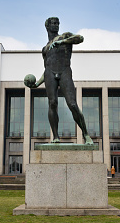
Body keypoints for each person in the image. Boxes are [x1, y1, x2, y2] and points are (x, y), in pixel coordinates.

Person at [27, 17, 93, 145]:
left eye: (57, 23)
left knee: (72, 104)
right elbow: (47, 67)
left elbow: (80, 38)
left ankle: (86, 135)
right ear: (47, 27)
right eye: (53, 23)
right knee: (52, 103)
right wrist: (36, 84)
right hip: (50, 74)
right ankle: (56, 136)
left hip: (64, 71)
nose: (56, 25)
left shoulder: (64, 37)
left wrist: (62, 42)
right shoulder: (45, 49)